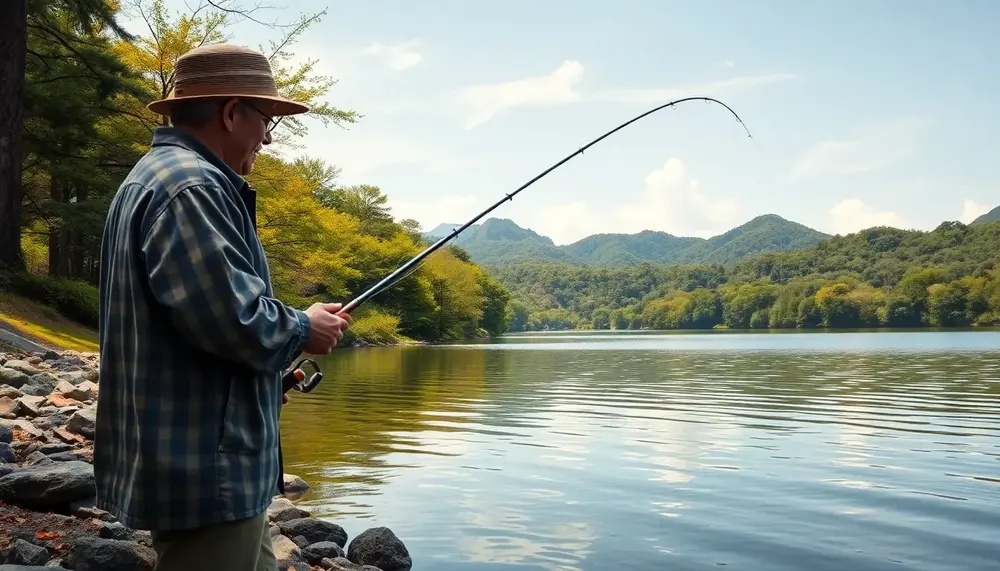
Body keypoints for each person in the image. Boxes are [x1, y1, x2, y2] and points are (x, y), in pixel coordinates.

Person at [94, 43, 351, 571]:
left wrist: (265, 380)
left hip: (206, 457)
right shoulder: (192, 185)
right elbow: (231, 320)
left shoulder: (158, 175)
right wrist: (304, 327)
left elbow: (191, 318)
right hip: (207, 468)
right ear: (232, 112)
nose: (268, 136)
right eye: (266, 119)